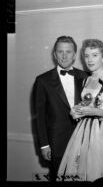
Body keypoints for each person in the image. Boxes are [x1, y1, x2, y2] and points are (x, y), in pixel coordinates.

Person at [57, 39, 103, 182]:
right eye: (86, 55)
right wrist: (77, 110)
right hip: (84, 132)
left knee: (100, 173)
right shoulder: (87, 79)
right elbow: (88, 104)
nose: (89, 60)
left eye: (95, 55)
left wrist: (96, 112)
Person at [33, 36, 88, 181]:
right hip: (56, 144)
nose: (64, 55)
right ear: (54, 54)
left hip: (83, 143)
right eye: (60, 51)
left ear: (75, 55)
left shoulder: (85, 77)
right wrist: (44, 145)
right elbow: (39, 117)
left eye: (68, 52)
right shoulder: (42, 80)